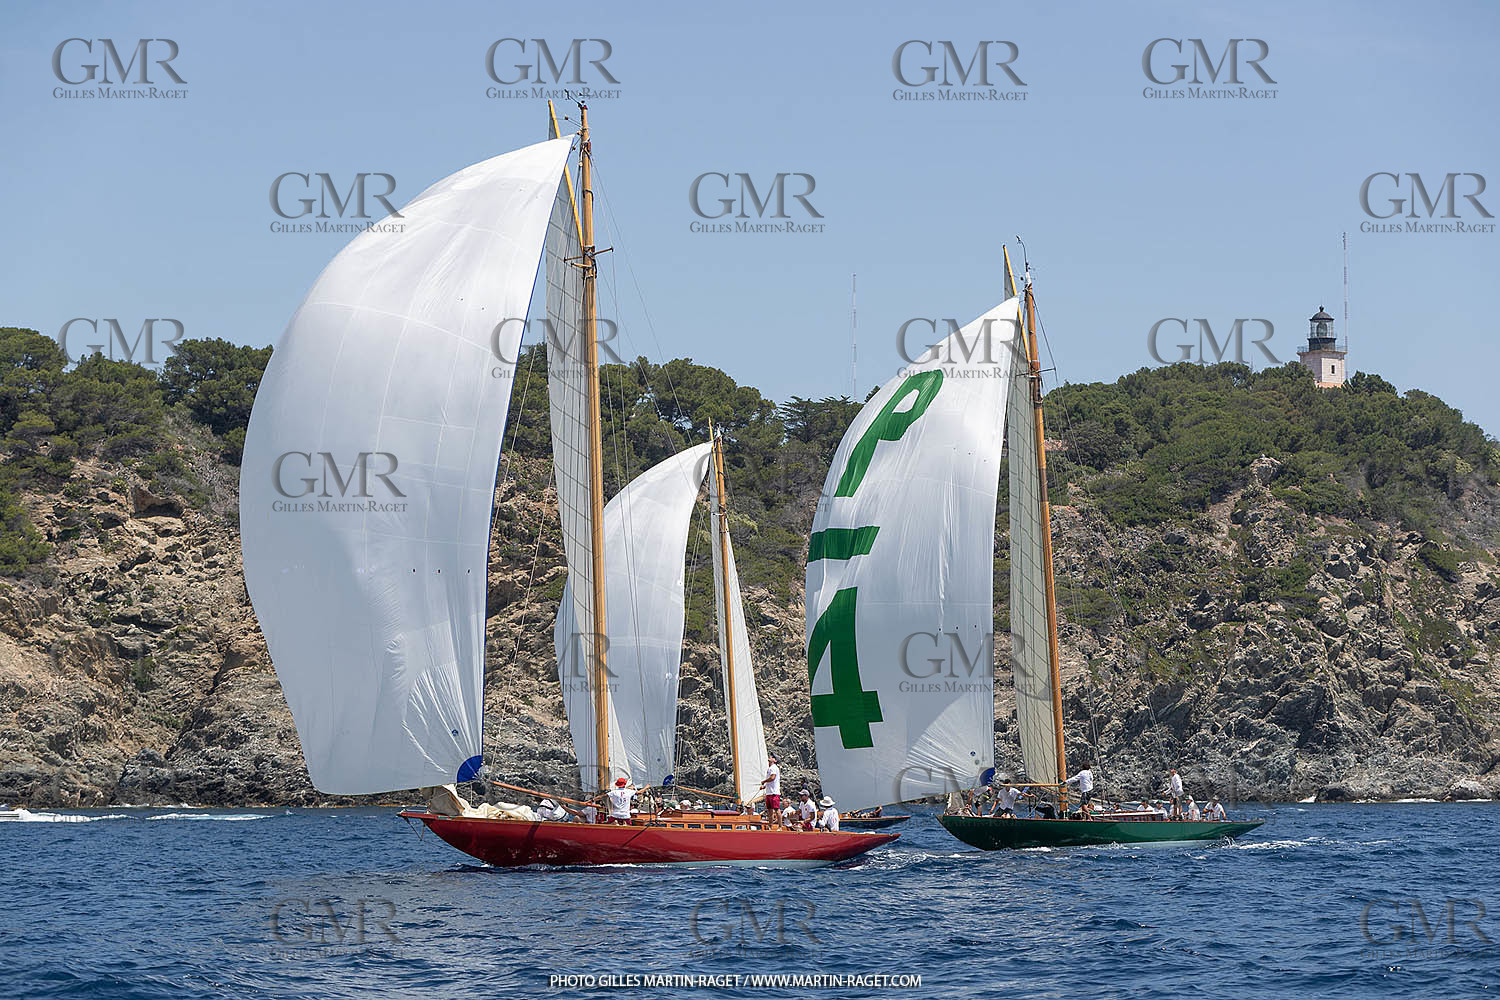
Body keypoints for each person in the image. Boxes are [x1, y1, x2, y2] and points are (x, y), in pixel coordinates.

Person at [759, 754, 782, 827]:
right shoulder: (770, 768)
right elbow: (771, 782)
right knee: (769, 810)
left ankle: (780, 826)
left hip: (774, 793)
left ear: (775, 761)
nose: (770, 757)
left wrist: (764, 781)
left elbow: (772, 778)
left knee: (776, 809)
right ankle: (770, 825)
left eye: (773, 757)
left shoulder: (773, 767)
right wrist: (765, 786)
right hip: (769, 792)